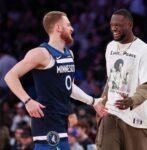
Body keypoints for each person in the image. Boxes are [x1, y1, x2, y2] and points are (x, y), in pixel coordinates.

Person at [4, 11, 107, 150]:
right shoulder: (41, 53)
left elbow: (68, 87)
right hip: (46, 121)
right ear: (58, 27)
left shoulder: (69, 53)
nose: (72, 28)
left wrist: (93, 101)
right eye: (68, 25)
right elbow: (10, 76)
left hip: (62, 120)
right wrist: (27, 101)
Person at [96, 9, 147, 150]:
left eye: (118, 25)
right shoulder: (110, 47)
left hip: (136, 119)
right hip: (111, 113)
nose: (114, 28)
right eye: (112, 24)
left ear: (129, 25)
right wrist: (102, 102)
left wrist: (131, 101)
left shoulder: (145, 51)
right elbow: (111, 80)